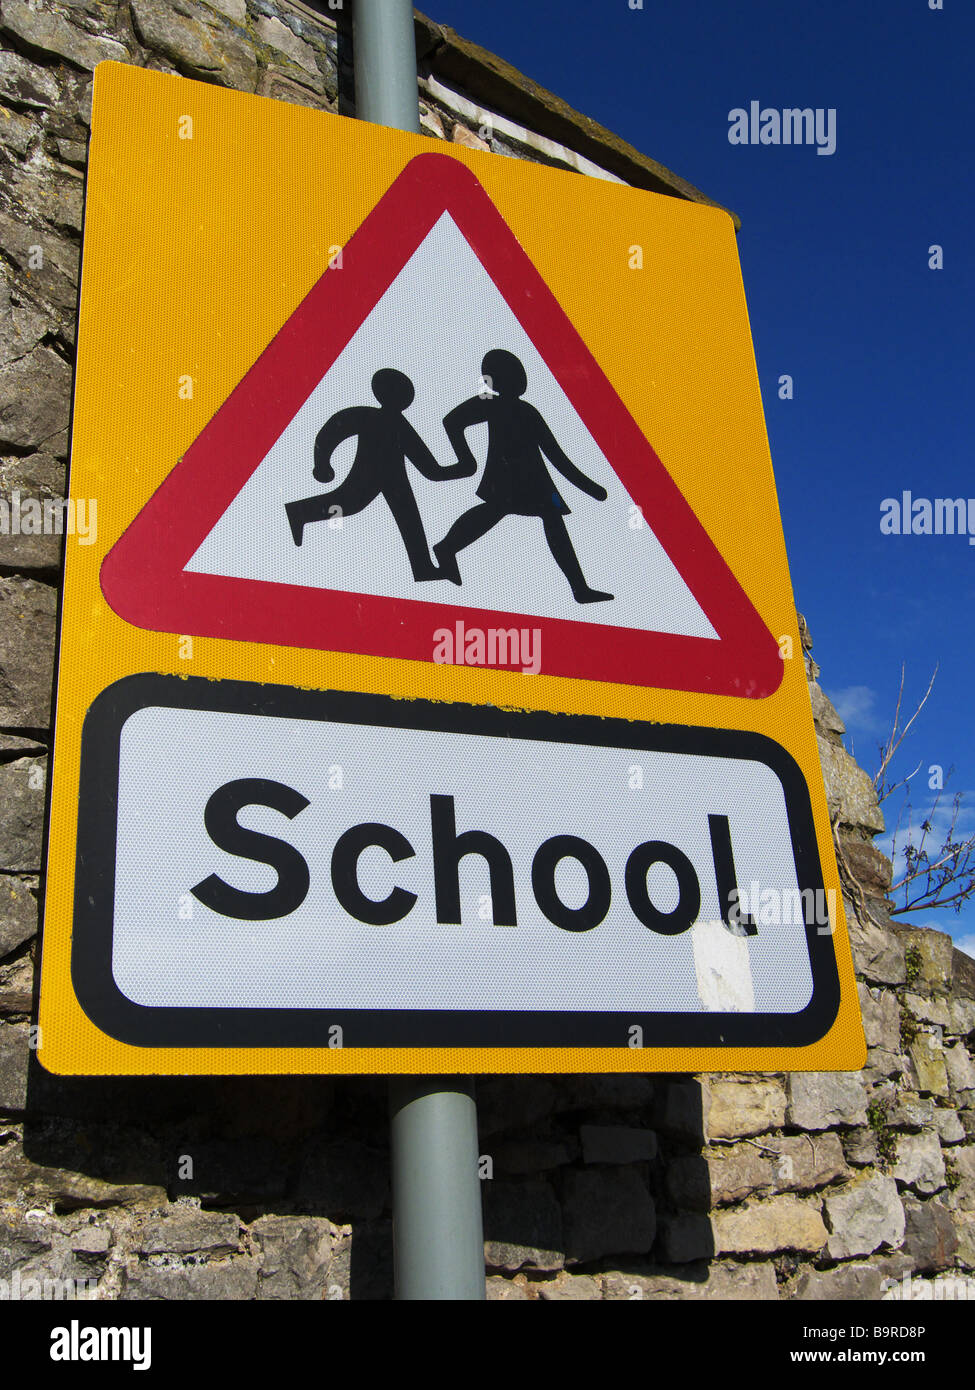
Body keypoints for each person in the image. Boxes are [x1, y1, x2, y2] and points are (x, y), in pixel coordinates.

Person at [433, 349, 613, 603]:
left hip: (533, 480)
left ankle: (579, 589)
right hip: (513, 477)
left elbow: (555, 454)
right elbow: (452, 421)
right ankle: (446, 547)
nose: (522, 378)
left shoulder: (525, 410)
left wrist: (589, 487)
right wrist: (466, 459)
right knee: (499, 511)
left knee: (523, 514)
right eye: (515, 373)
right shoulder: (493, 403)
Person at [285, 367, 474, 581]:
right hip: (371, 476)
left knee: (408, 520)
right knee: (350, 504)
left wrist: (461, 469)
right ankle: (299, 512)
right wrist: (321, 463)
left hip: (394, 480)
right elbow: (333, 430)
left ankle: (423, 568)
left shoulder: (396, 424)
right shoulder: (370, 416)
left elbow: (429, 468)